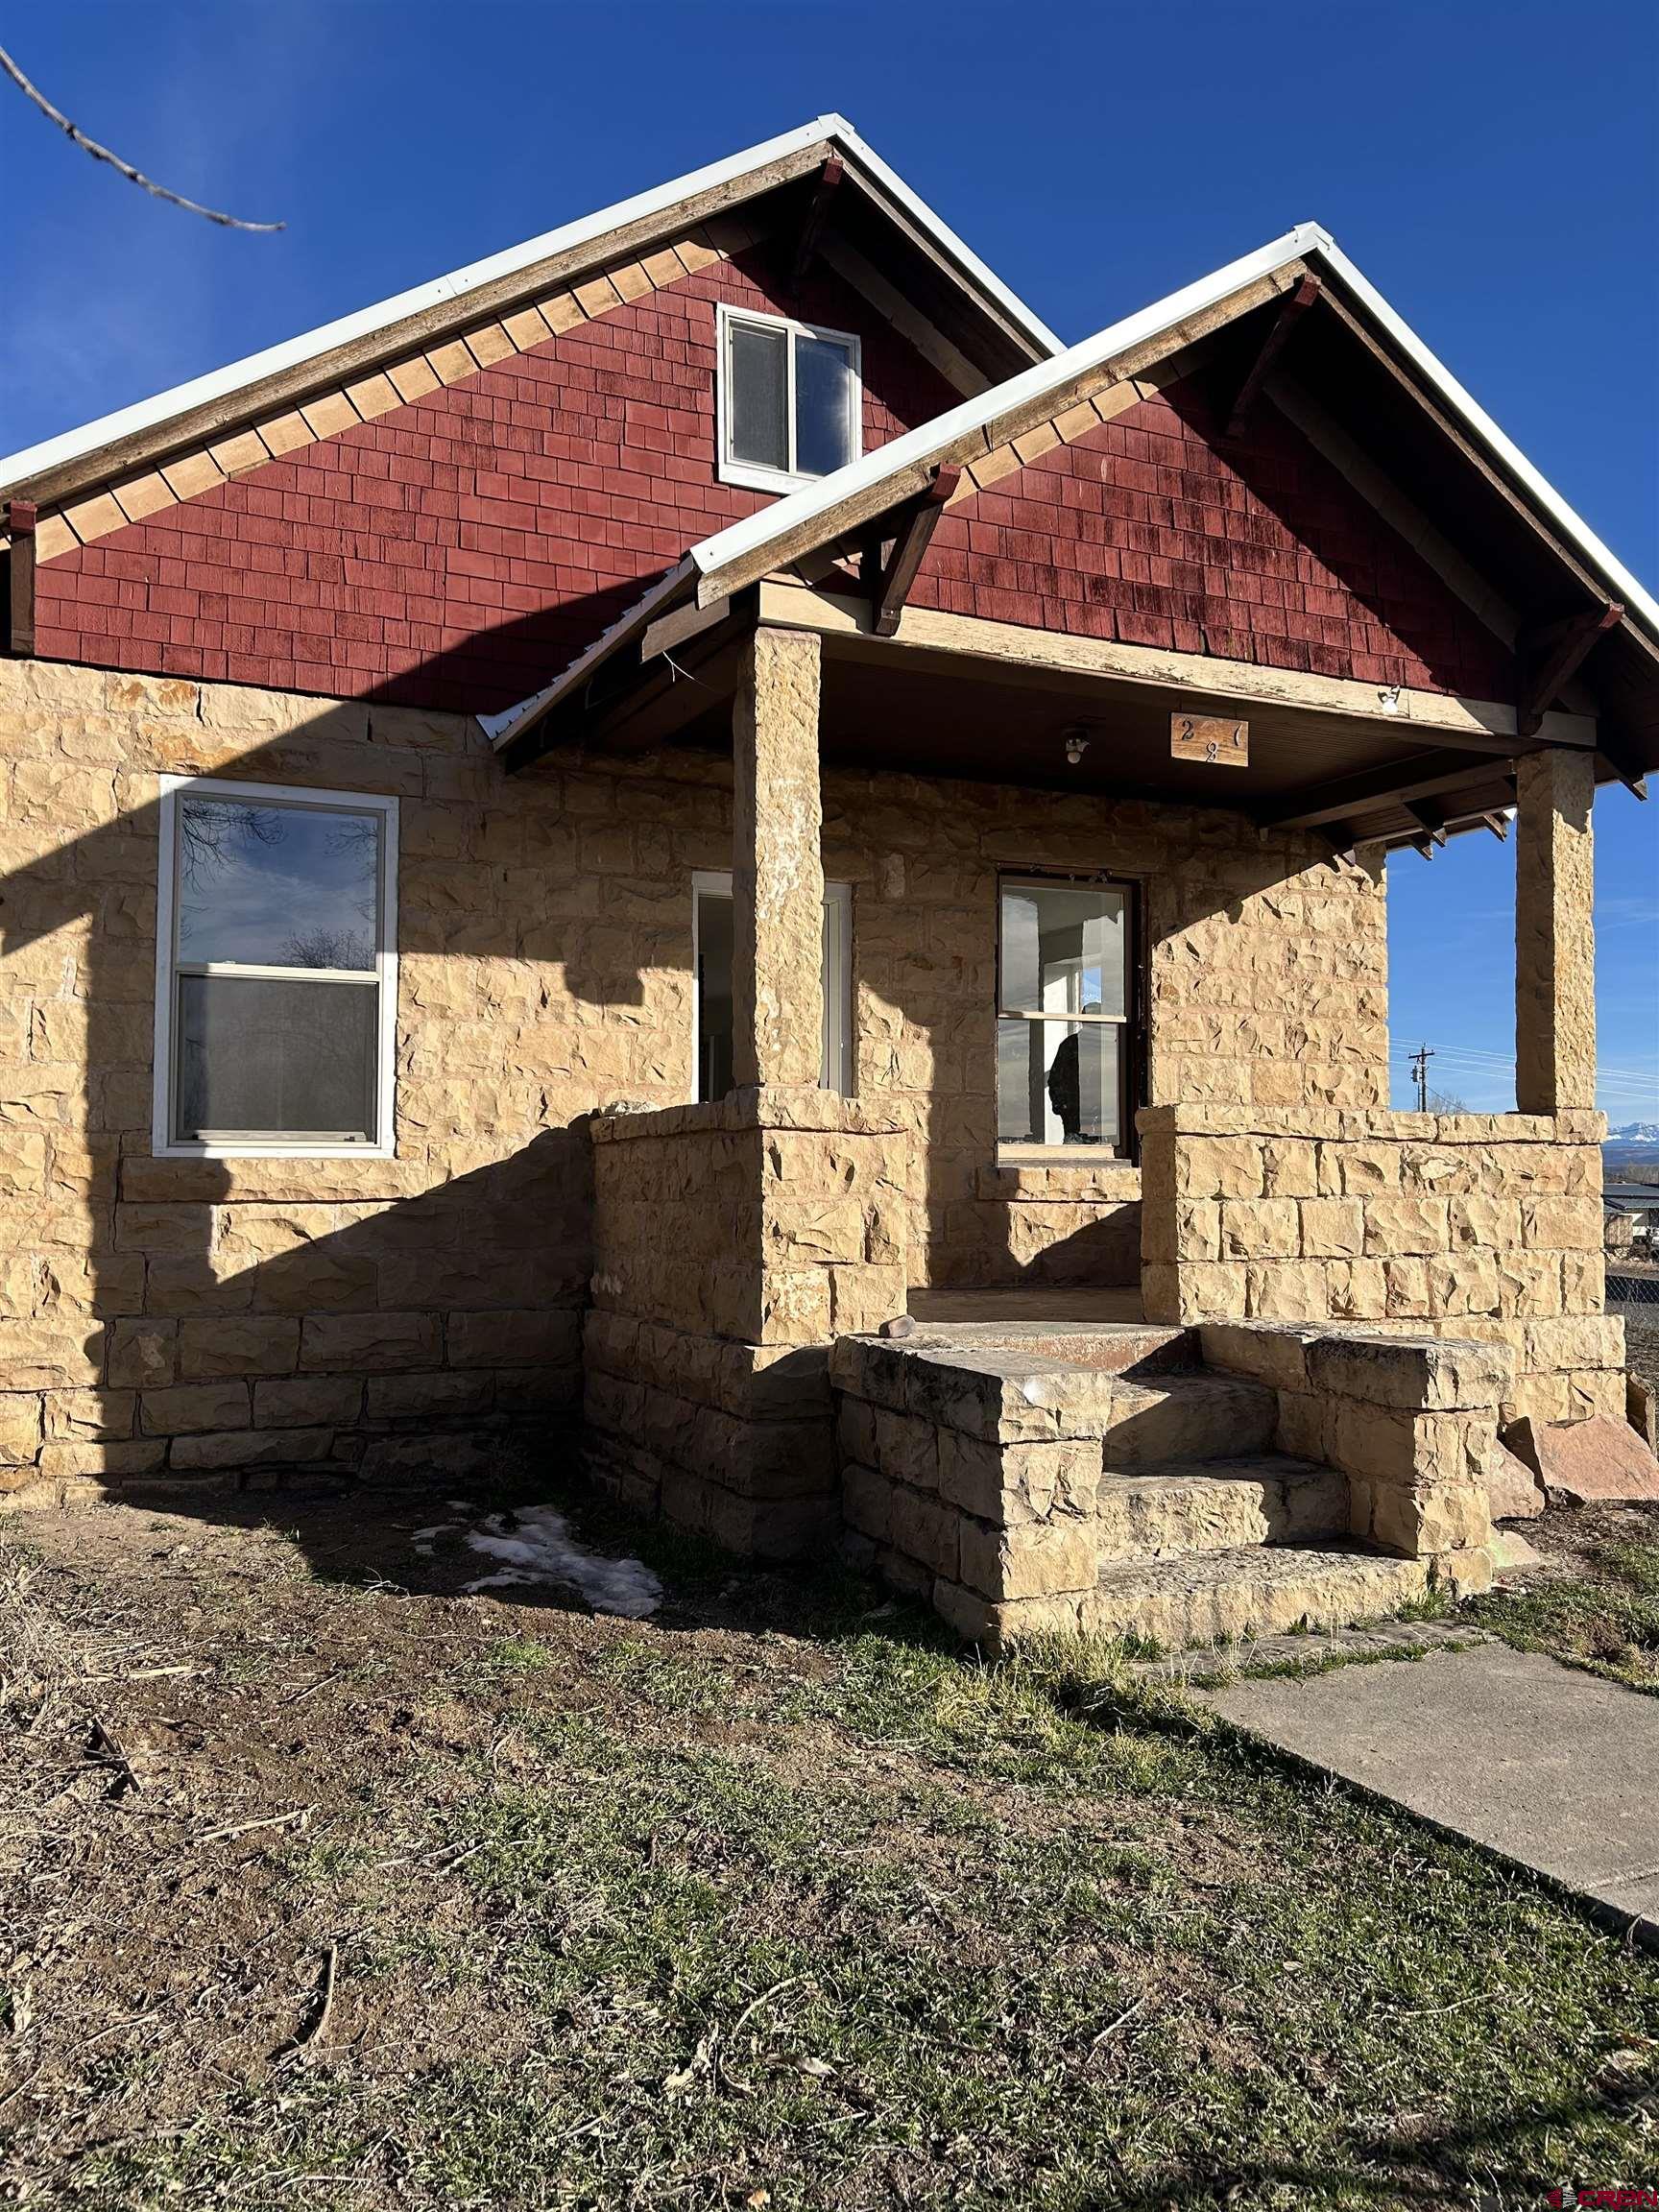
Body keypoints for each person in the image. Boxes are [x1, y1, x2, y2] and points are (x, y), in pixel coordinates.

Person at [1046, 1003, 1099, 1142]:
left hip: (1102, 1120)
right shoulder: (1070, 1045)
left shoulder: (1111, 1045)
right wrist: (1063, 1108)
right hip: (1074, 1119)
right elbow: (1055, 1080)